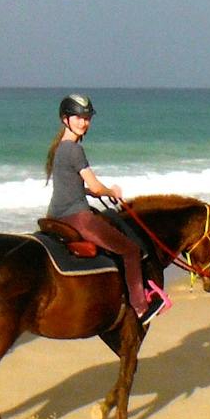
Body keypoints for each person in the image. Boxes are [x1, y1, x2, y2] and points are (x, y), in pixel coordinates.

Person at [44, 93, 164, 326]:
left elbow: (71, 185)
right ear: (65, 119)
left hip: (56, 216)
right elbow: (97, 186)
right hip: (78, 218)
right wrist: (111, 191)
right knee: (130, 251)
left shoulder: (59, 149)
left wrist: (89, 193)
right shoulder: (74, 150)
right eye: (78, 117)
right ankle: (140, 307)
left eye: (87, 118)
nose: (84, 122)